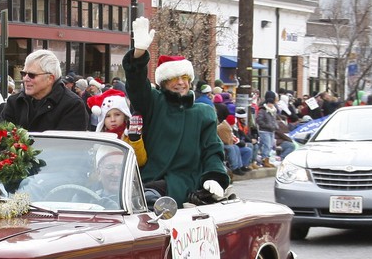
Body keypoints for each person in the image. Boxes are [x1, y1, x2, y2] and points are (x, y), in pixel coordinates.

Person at [123, 17, 229, 205]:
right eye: (173, 78)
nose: (180, 82)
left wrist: (214, 176)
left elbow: (212, 149)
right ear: (163, 83)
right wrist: (139, 55)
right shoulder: (154, 102)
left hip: (185, 183)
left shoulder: (203, 112)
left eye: (184, 78)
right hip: (148, 181)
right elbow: (137, 85)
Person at [0, 50, 89, 131]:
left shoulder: (73, 105)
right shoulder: (14, 102)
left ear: (50, 78)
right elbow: (0, 138)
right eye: (23, 73)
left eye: (31, 75)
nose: (25, 79)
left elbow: (68, 145)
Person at [89, 88, 147, 166]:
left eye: (117, 115)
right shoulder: (99, 139)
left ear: (124, 115)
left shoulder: (129, 135)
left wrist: (135, 140)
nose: (113, 119)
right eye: (108, 116)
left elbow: (140, 162)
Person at [217, 103, 252, 175]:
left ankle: (241, 166)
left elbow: (234, 137)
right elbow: (227, 140)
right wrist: (238, 141)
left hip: (231, 143)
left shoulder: (229, 127)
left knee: (241, 148)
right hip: (221, 144)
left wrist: (238, 141)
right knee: (232, 148)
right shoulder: (224, 127)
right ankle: (234, 167)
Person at [256, 91, 279, 168]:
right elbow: (259, 120)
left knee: (269, 145)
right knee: (267, 145)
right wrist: (268, 125)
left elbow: (274, 120)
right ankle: (264, 159)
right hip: (264, 131)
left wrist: (275, 126)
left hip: (272, 131)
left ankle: (266, 159)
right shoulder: (263, 109)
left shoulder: (273, 110)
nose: (271, 104)